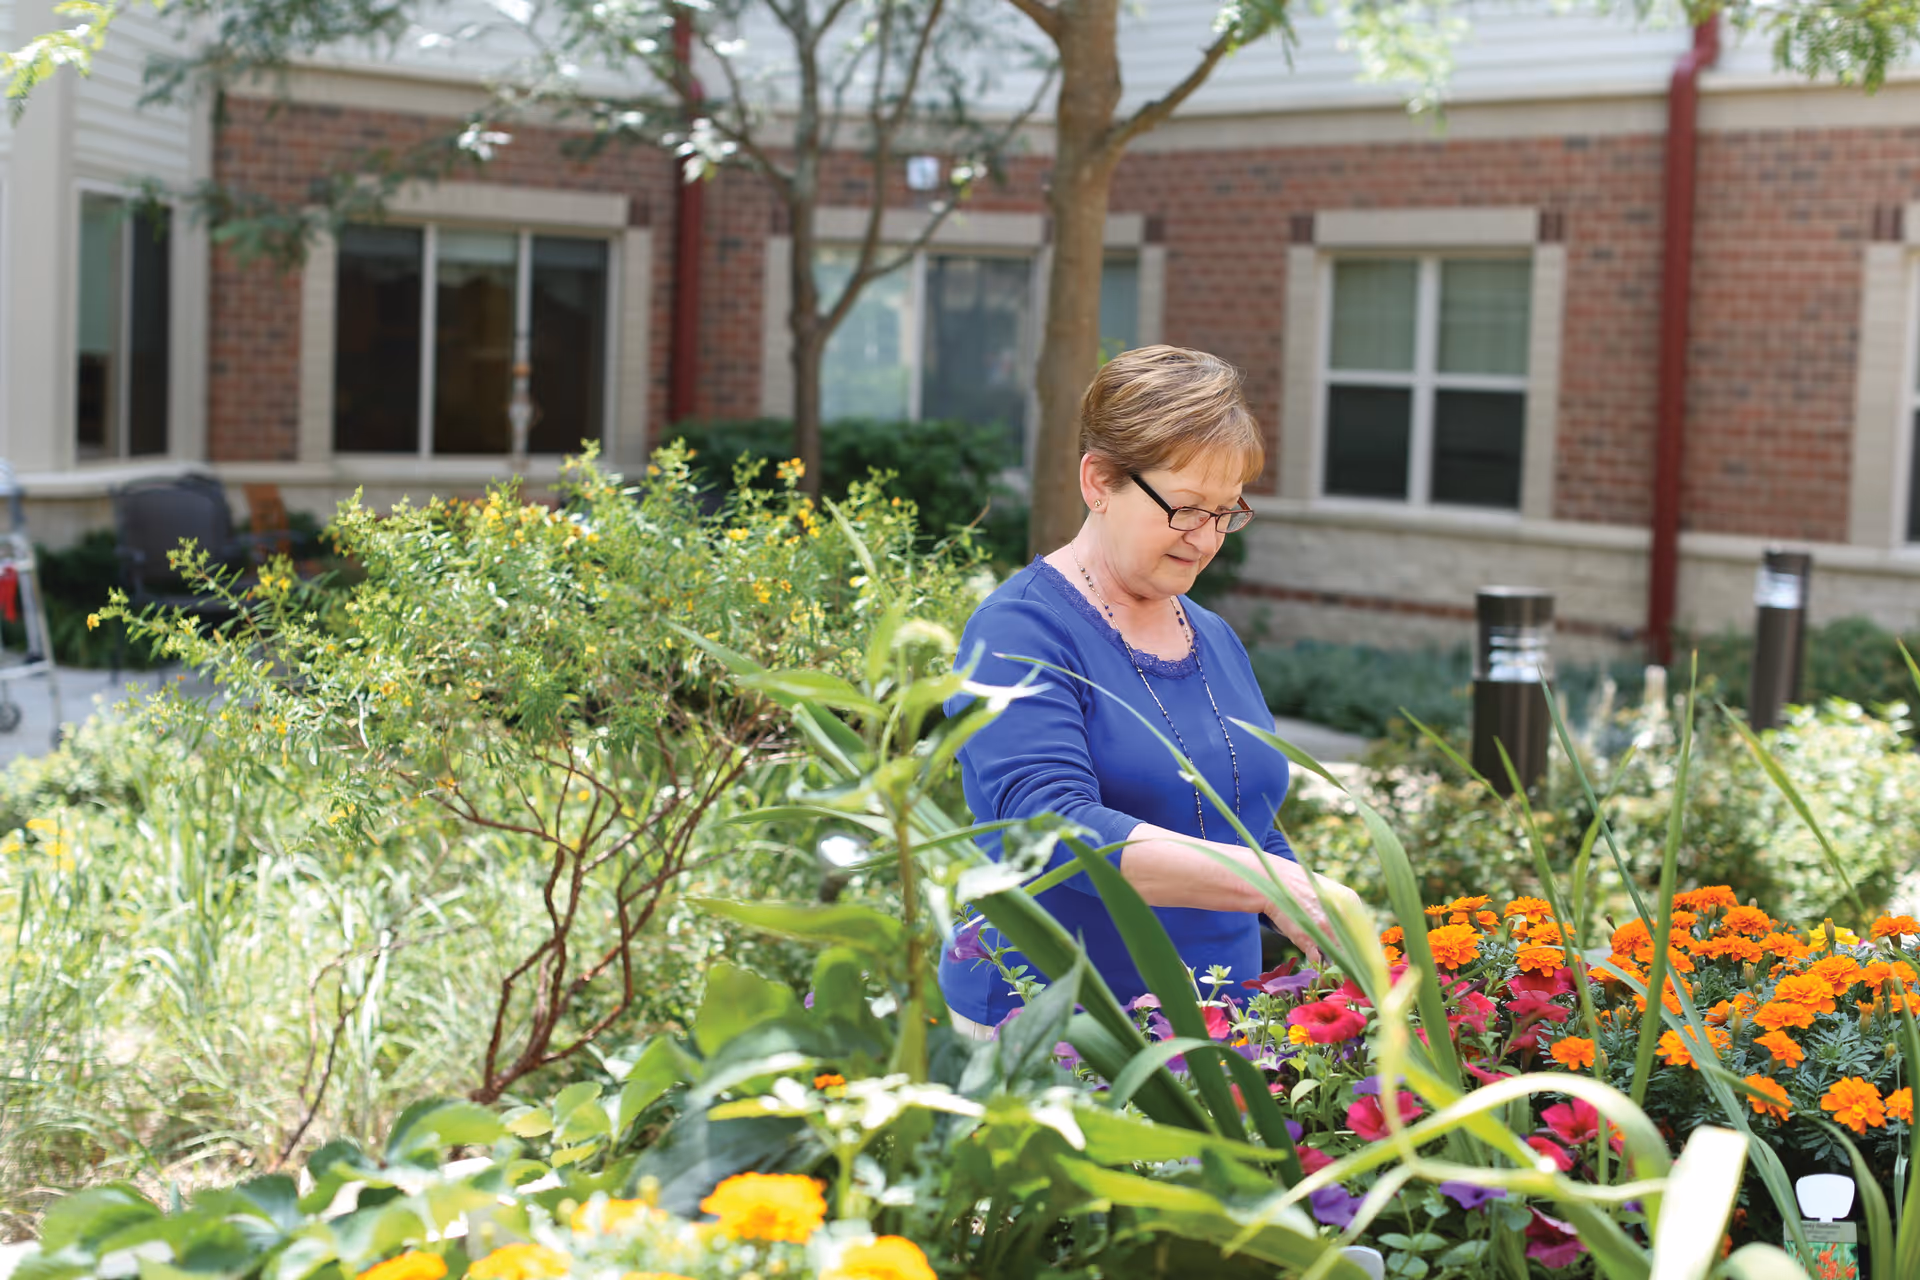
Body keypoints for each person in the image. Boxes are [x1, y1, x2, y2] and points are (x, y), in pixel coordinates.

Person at [939, 345, 1364, 1038]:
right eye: (1187, 508)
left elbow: (1245, 820)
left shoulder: (1214, 637)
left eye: (1227, 512)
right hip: (1058, 1033)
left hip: (1224, 1025)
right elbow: (1052, 831)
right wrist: (1271, 884)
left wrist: (1312, 913)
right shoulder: (1017, 631)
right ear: (1100, 480)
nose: (1207, 539)